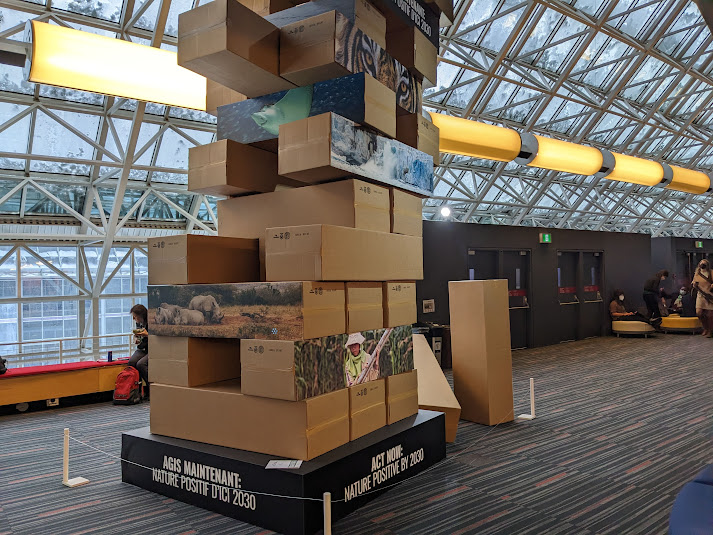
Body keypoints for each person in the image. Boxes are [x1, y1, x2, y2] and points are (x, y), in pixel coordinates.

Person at [128, 304, 149, 398]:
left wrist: (147, 335)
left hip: (151, 349)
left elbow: (158, 338)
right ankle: (137, 390)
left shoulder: (151, 322)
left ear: (141, 316)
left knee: (141, 364)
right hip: (142, 348)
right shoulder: (139, 323)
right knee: (131, 362)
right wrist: (136, 339)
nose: (134, 319)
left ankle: (151, 389)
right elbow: (139, 337)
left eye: (135, 317)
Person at [692, 260, 713, 337]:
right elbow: (694, 281)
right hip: (700, 295)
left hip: (710, 295)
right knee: (699, 312)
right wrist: (694, 284)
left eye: (704, 263)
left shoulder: (711, 272)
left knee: (710, 315)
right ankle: (705, 328)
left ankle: (710, 331)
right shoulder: (697, 273)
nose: (702, 265)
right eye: (701, 263)